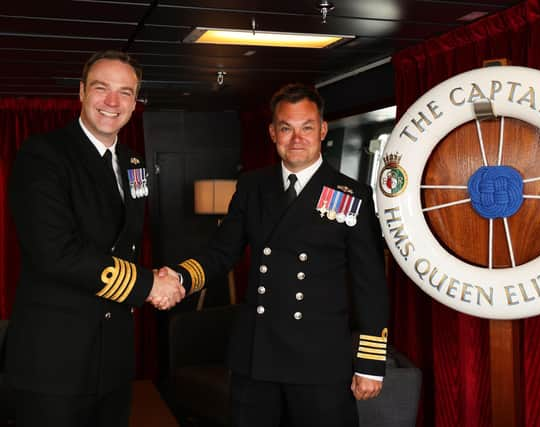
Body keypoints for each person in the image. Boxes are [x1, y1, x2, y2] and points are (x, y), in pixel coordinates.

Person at [160, 83, 389, 427]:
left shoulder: (351, 195)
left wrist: (369, 363)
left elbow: (369, 283)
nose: (297, 138)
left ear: (322, 130)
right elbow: (222, 252)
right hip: (257, 355)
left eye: (307, 127)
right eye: (286, 128)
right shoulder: (253, 186)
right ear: (272, 133)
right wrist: (179, 277)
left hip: (320, 359)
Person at [7, 50, 184, 427]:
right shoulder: (44, 155)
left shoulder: (134, 164)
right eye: (102, 89)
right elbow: (55, 252)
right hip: (54, 360)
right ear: (82, 92)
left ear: (135, 103)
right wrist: (149, 284)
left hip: (113, 357)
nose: (112, 102)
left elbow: (127, 243)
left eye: (125, 92)